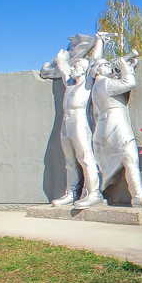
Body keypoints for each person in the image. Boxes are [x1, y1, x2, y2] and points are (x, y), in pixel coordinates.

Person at [89, 40, 142, 207]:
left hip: (105, 124)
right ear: (98, 70)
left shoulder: (99, 85)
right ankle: (138, 195)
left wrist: (128, 66)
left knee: (120, 160)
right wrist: (126, 69)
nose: (108, 66)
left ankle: (98, 192)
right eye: (105, 65)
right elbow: (129, 83)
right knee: (130, 157)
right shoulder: (104, 83)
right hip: (116, 124)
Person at [50, 47, 102, 209]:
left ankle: (94, 193)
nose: (74, 67)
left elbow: (95, 61)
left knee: (85, 157)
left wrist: (99, 41)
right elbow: (64, 67)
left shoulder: (87, 83)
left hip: (80, 122)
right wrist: (61, 57)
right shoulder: (70, 84)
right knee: (69, 161)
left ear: (85, 69)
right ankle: (72, 192)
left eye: (78, 65)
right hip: (66, 123)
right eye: (74, 65)